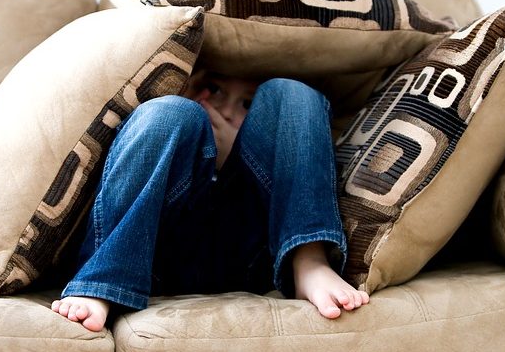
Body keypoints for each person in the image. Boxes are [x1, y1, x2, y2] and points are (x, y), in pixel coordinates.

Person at [51, 69, 370, 332]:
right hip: (156, 250)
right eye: (214, 89)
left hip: (250, 253)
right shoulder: (185, 118)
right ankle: (103, 281)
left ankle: (308, 258)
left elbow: (279, 137)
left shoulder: (265, 133)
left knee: (293, 92)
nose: (228, 110)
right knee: (168, 113)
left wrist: (236, 151)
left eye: (247, 103)